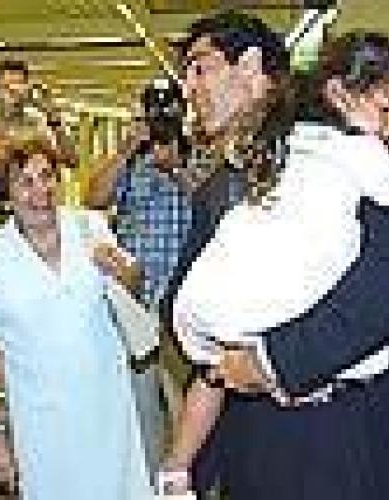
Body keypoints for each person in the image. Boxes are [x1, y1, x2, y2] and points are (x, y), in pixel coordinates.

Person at [164, 25, 389, 500]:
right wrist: (183, 463)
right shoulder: (222, 187)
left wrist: (271, 362)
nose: (190, 88)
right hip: (251, 427)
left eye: (200, 68)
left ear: (249, 66)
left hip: (337, 426)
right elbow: (198, 332)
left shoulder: (347, 159)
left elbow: (375, 296)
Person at [0, 137, 154, 499]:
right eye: (25, 182)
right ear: (6, 197)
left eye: (47, 176)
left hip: (107, 407)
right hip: (42, 423)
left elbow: (134, 282)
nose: (41, 190)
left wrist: (121, 272)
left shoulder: (89, 227)